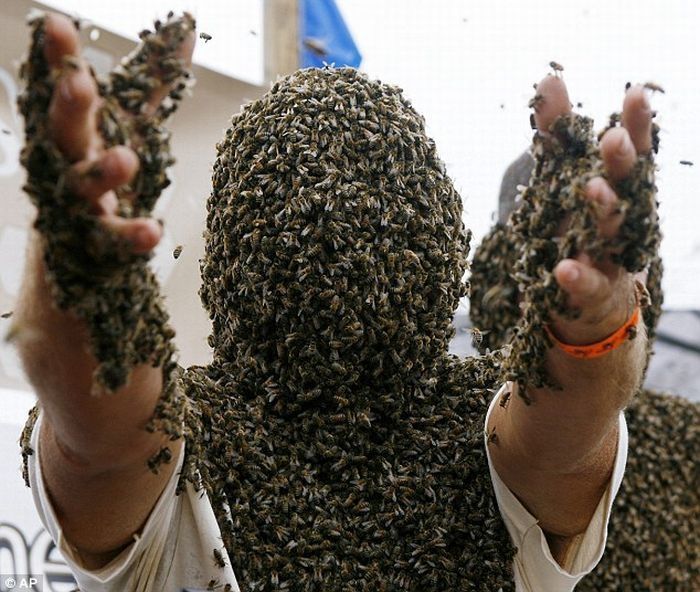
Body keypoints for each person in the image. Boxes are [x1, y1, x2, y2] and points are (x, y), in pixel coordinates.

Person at [12, 11, 685, 592]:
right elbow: (101, 428)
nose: (335, 240)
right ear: (444, 241)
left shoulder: (489, 430)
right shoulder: (179, 444)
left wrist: (589, 331)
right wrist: (82, 274)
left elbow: (563, 432)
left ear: (224, 256)